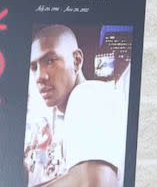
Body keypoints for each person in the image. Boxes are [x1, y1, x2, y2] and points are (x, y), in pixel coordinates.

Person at [27, 24, 126, 186]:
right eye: (33, 67)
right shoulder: (84, 102)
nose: (39, 76)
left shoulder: (87, 94)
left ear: (76, 60)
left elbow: (94, 183)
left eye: (50, 61)